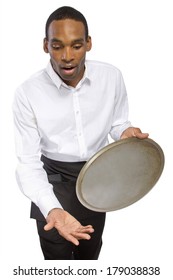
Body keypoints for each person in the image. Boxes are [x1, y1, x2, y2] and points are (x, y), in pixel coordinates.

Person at [13, 6, 149, 260]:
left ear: (88, 43)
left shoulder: (112, 77)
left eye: (76, 45)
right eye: (57, 46)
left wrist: (125, 132)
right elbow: (28, 163)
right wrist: (52, 209)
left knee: (90, 254)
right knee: (57, 262)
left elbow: (117, 123)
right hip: (52, 182)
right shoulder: (27, 93)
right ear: (45, 46)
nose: (67, 56)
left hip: (98, 177)